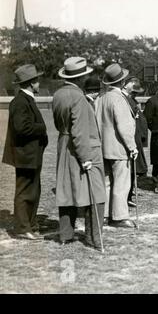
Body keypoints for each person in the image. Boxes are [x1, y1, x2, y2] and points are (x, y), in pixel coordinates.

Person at [52, 57, 106, 247]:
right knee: (97, 194)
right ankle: (94, 238)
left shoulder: (58, 94)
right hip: (82, 149)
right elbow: (80, 131)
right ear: (81, 78)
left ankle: (65, 235)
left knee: (67, 190)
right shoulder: (79, 98)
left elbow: (61, 125)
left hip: (63, 145)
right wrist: (86, 158)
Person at [2, 64, 48, 240]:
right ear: (31, 83)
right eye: (36, 80)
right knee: (24, 192)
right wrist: (41, 128)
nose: (38, 82)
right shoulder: (20, 102)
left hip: (31, 154)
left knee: (33, 190)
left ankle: (29, 224)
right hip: (25, 155)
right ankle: (22, 228)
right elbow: (22, 129)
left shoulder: (25, 100)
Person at [95, 63, 138, 228]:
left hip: (102, 147)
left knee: (106, 182)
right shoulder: (119, 98)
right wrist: (132, 147)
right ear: (122, 81)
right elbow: (124, 127)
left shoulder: (100, 97)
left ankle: (105, 214)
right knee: (121, 182)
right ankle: (119, 216)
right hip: (119, 148)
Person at [122, 77, 148, 207]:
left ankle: (129, 194)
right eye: (134, 92)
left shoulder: (133, 100)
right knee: (129, 169)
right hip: (129, 138)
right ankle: (125, 197)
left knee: (134, 170)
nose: (136, 94)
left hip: (136, 137)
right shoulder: (124, 100)